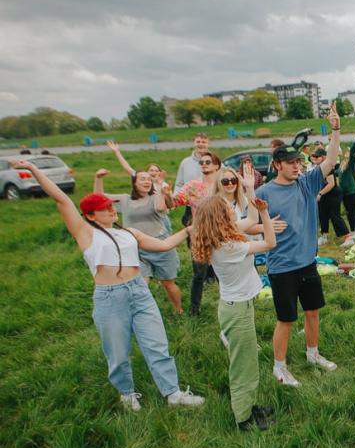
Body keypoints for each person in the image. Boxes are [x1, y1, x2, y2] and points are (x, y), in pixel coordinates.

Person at [10, 159, 205, 411]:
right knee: (118, 351)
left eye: (112, 207)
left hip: (139, 291)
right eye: (105, 209)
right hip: (110, 297)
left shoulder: (129, 232)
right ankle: (127, 394)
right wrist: (34, 170)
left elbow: (164, 245)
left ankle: (173, 393)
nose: (113, 211)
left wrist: (189, 230)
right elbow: (61, 199)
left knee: (157, 344)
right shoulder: (85, 232)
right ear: (90, 215)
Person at [255, 102, 343, 387]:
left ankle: (313, 354)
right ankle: (279, 368)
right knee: (286, 319)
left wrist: (336, 130)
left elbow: (329, 161)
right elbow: (244, 226)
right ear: (278, 165)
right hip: (281, 267)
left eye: (299, 162)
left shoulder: (307, 183)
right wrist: (264, 225)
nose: (298, 166)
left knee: (313, 311)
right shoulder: (264, 192)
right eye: (292, 163)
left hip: (307, 262)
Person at [191, 194, 277, 431]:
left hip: (237, 306)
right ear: (222, 217)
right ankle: (244, 419)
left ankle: (248, 406)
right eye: (228, 208)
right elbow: (270, 243)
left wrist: (248, 190)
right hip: (237, 311)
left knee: (247, 361)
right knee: (243, 366)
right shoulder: (229, 246)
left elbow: (249, 218)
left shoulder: (220, 235)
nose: (232, 209)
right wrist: (266, 213)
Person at [94, 167, 184, 314]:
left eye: (149, 179)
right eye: (143, 179)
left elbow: (161, 208)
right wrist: (98, 178)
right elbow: (98, 198)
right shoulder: (125, 200)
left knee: (168, 283)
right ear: (134, 183)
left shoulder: (155, 197)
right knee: (142, 284)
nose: (147, 181)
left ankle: (178, 310)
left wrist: (159, 187)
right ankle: (143, 313)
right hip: (136, 249)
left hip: (161, 246)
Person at [174, 151, 221, 316]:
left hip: (221, 235)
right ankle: (195, 310)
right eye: (201, 162)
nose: (204, 164)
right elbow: (175, 202)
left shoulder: (224, 184)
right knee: (199, 275)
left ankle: (229, 305)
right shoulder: (192, 185)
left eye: (208, 162)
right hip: (199, 235)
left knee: (224, 272)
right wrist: (164, 193)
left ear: (217, 165)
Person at [106, 140, 174, 233]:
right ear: (146, 172)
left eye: (156, 170)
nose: (153, 172)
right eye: (151, 170)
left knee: (164, 235)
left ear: (160, 173)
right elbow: (127, 167)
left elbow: (171, 204)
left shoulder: (163, 185)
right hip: (142, 216)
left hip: (160, 217)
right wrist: (117, 151)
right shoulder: (141, 178)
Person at [314, 148, 351, 246]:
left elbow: (331, 184)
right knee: (323, 215)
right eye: (314, 156)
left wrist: (320, 194)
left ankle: (348, 237)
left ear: (323, 157)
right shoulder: (318, 167)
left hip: (333, 194)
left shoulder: (328, 168)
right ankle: (324, 236)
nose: (315, 158)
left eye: (317, 156)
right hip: (324, 195)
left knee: (335, 216)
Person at [339, 138, 355, 245]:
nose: (346, 152)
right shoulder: (342, 164)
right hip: (343, 192)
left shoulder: (351, 163)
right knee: (348, 212)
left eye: (348, 151)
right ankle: (352, 230)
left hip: (352, 191)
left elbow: (353, 150)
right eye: (346, 151)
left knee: (352, 212)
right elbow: (335, 173)